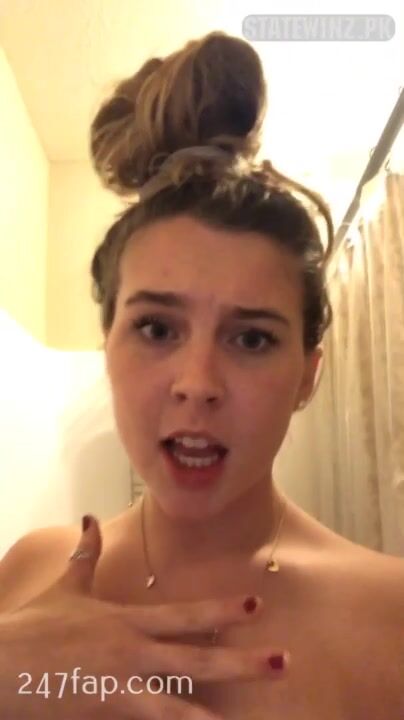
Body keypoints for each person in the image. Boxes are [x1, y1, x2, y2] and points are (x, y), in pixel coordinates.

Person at [0, 30, 403, 720]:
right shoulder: (29, 575)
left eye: (251, 338)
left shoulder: (390, 618)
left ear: (307, 376)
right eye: (157, 329)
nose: (197, 383)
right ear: (107, 344)